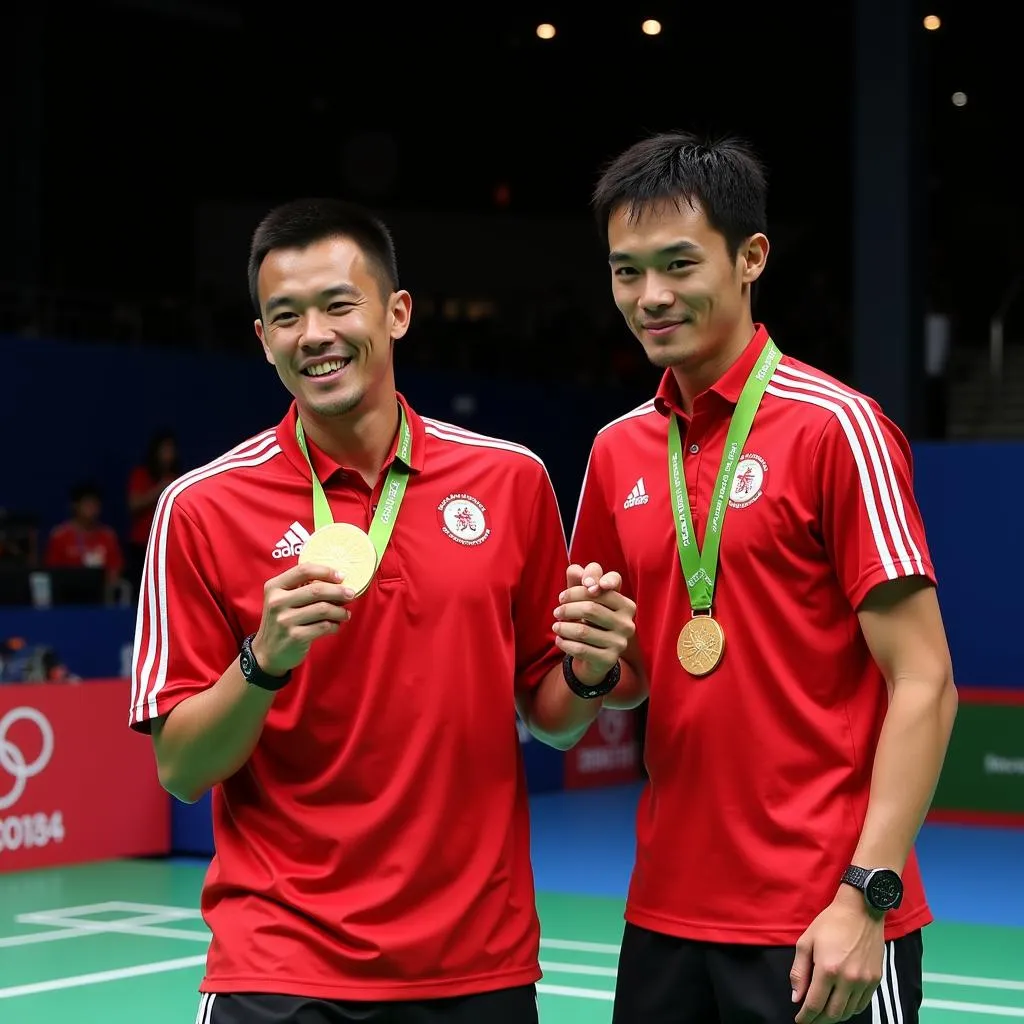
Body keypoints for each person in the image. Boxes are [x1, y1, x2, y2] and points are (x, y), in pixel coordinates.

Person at [127, 197, 636, 1024]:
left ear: (396, 313)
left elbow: (555, 722)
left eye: (338, 304)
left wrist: (589, 671)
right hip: (281, 967)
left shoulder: (511, 483)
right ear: (263, 342)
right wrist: (262, 662)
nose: (314, 335)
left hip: (477, 964)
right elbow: (181, 772)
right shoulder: (201, 508)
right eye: (285, 317)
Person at [569, 131, 958, 1024]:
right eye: (627, 272)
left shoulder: (837, 429)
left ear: (751, 258)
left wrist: (867, 895)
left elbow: (924, 681)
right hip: (664, 916)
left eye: (678, 264)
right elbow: (626, 680)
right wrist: (595, 665)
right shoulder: (616, 449)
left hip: (821, 920)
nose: (650, 297)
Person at [126, 429, 181, 588]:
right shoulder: (141, 474)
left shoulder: (177, 478)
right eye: (165, 449)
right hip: (142, 546)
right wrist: (161, 489)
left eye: (172, 450)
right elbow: (134, 505)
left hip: (167, 545)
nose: (168, 454)